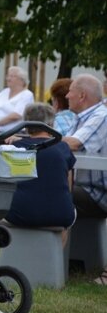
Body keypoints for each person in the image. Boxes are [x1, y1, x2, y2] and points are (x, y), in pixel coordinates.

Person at [4, 103, 76, 243]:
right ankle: (56, 260)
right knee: (63, 222)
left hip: (20, 213)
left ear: (25, 123)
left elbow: (5, 183)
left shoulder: (15, 147)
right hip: (60, 214)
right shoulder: (63, 147)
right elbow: (68, 186)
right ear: (51, 123)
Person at [61, 74, 107, 286]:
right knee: (46, 191)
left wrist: (37, 140)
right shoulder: (84, 117)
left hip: (97, 193)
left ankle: (55, 261)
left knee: (51, 195)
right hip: (85, 188)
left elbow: (73, 144)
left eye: (70, 90)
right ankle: (60, 260)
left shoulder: (101, 116)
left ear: (82, 95)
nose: (66, 95)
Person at [0, 66, 34, 133]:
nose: (8, 79)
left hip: (12, 133)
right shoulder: (5, 91)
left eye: (12, 76)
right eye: (8, 76)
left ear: (22, 80)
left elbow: (16, 115)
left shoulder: (27, 94)